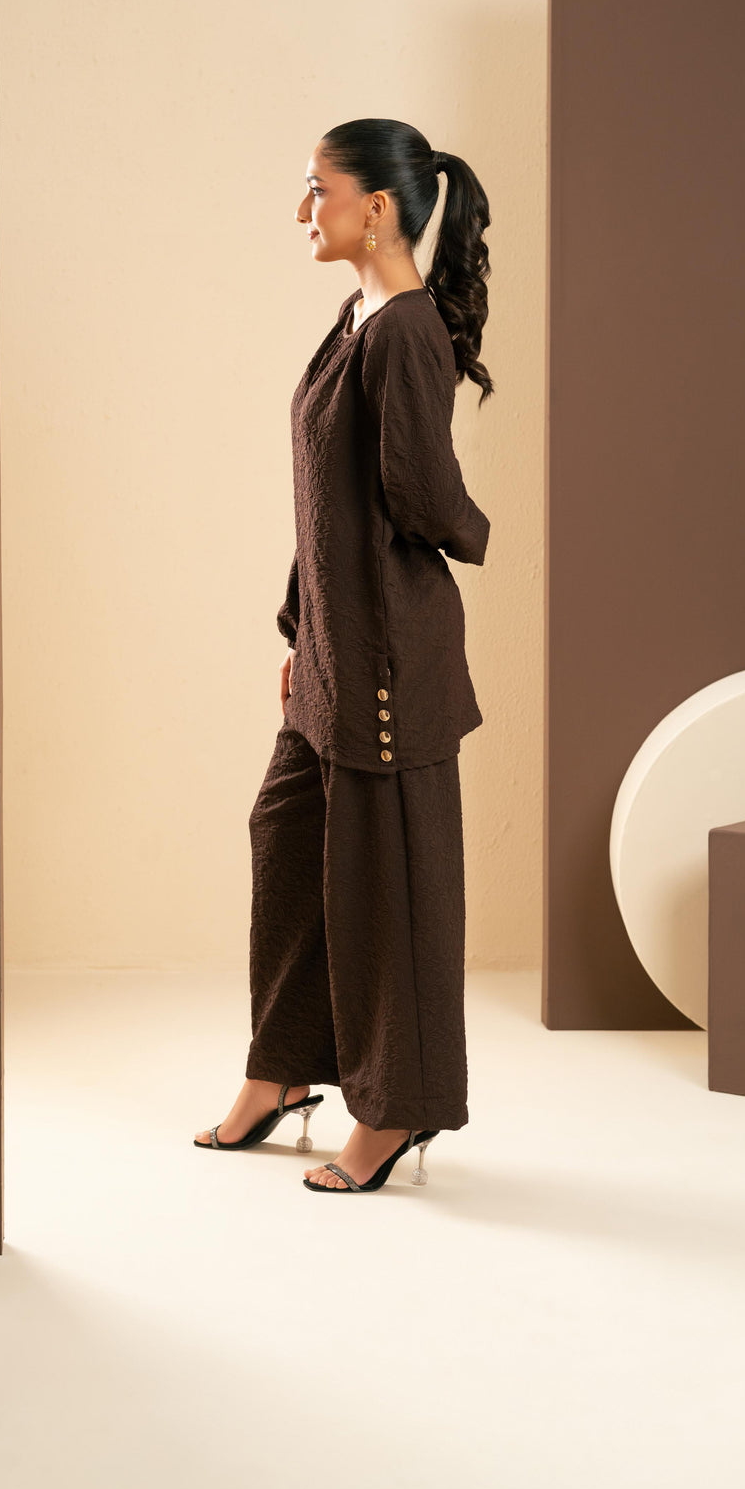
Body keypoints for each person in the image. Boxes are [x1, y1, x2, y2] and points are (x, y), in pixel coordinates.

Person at [194, 118, 494, 1193]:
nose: (302, 210)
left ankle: (397, 1108)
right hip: (336, 643)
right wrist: (302, 627)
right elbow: (328, 496)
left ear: (377, 208)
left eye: (316, 190)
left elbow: (419, 493)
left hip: (388, 659)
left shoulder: (406, 332)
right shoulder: (355, 318)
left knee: (388, 887)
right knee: (287, 839)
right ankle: (282, 1069)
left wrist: (473, 533)